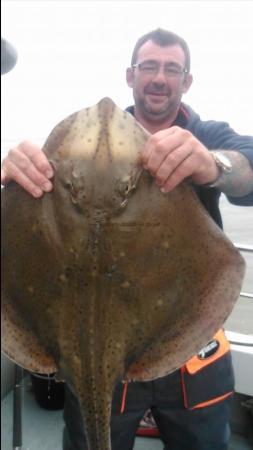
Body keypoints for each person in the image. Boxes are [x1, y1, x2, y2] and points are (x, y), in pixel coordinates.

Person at [2, 28, 253, 450]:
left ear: (186, 81)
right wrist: (11, 175)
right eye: (149, 66)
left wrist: (213, 164)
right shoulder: (84, 144)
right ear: (130, 75)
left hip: (191, 340)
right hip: (85, 347)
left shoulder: (205, 135)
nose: (159, 77)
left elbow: (248, 165)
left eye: (171, 69)